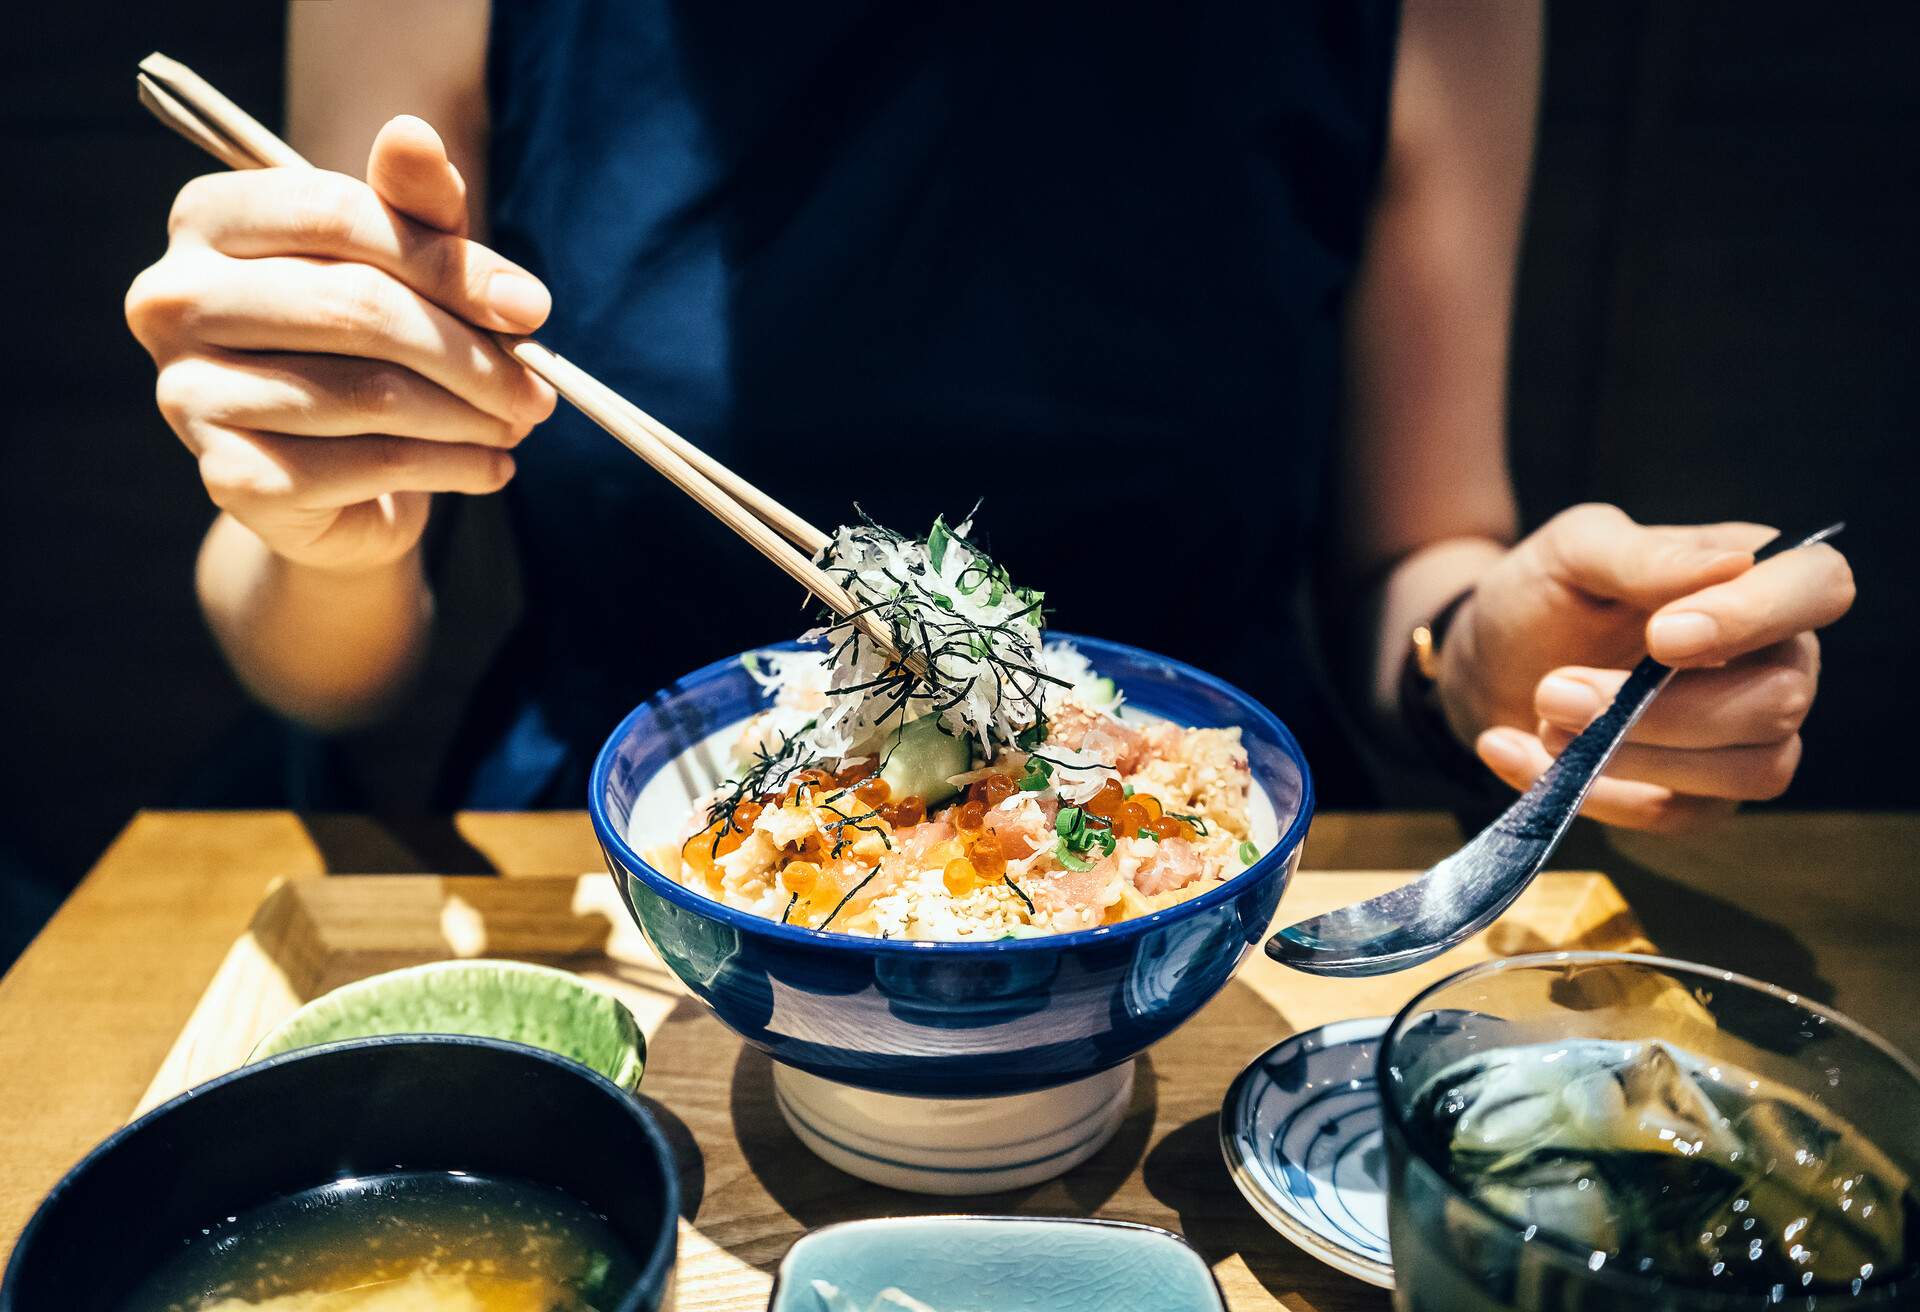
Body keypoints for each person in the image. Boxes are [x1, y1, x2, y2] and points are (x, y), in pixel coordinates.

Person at [125, 0, 1853, 828]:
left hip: (1197, 893)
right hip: (613, 867)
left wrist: (1495, 656)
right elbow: (320, 658)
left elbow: (1417, 555)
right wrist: (315, 522)